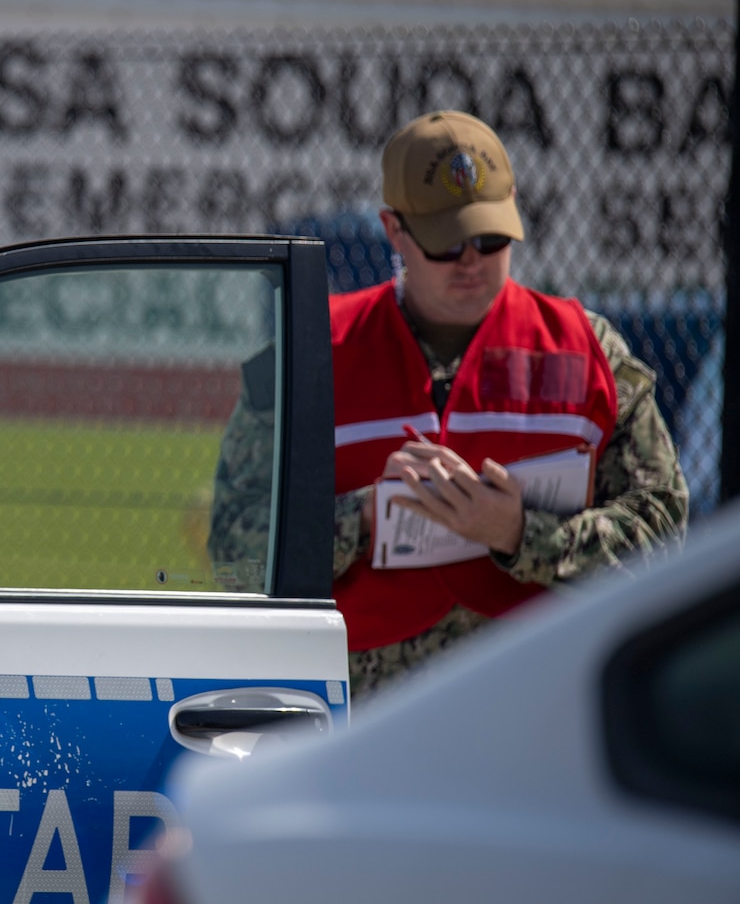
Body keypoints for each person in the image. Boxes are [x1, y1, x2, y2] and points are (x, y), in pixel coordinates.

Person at [209, 110, 688, 699]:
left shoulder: (590, 351)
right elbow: (234, 552)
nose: (471, 260)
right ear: (394, 230)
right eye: (446, 243)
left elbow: (663, 535)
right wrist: (361, 517)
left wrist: (520, 533)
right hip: (363, 718)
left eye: (491, 239)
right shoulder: (310, 356)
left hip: (546, 702)